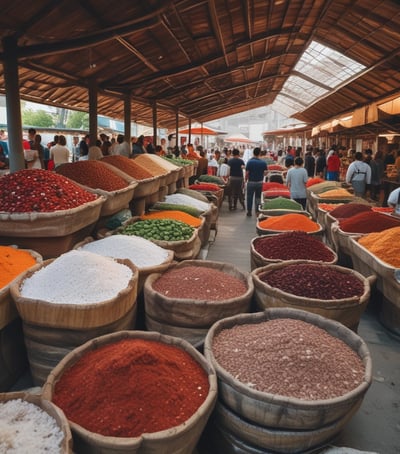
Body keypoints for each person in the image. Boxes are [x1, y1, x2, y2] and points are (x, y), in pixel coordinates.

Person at [245, 147, 268, 217]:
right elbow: (265, 173)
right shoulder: (263, 163)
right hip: (259, 182)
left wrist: (245, 180)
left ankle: (249, 211)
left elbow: (247, 173)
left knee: (249, 197)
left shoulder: (249, 162)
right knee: (258, 197)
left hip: (251, 182)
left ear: (253, 153)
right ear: (259, 153)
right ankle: (257, 212)